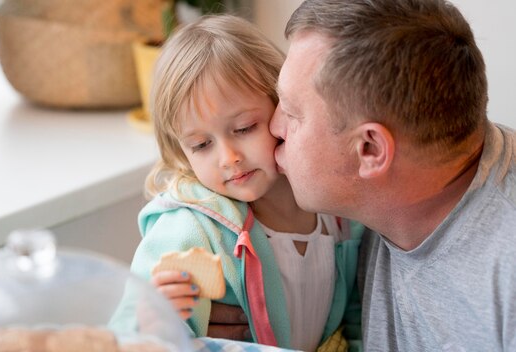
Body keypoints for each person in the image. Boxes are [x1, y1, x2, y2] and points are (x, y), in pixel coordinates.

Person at [205, 0, 515, 350]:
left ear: (370, 149)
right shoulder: (369, 205)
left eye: (292, 114)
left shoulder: (504, 276)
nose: (275, 128)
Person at [123, 14, 364, 352]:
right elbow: (125, 333)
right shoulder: (187, 232)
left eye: (244, 128)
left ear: (282, 105)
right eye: (201, 145)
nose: (228, 157)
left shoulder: (338, 215)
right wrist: (152, 320)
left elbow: (358, 319)